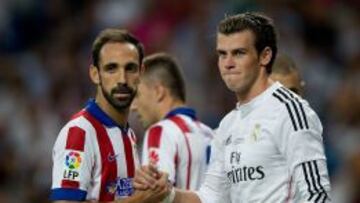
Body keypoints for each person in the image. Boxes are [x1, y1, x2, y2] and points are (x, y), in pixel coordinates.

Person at [134, 12, 331, 203]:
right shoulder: (228, 124)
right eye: (222, 54)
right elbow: (209, 197)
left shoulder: (290, 111)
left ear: (265, 56)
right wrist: (166, 193)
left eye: (239, 53)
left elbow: (317, 194)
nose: (228, 64)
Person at [50, 28, 168, 202]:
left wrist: (147, 185)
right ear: (95, 74)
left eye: (130, 68)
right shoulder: (79, 134)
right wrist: (140, 200)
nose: (122, 79)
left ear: (141, 73)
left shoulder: (128, 134)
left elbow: (109, 190)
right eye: (111, 68)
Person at [131, 53, 213, 190]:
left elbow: (156, 194)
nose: (133, 106)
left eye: (138, 95)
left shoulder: (160, 131)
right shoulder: (210, 134)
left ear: (158, 91)